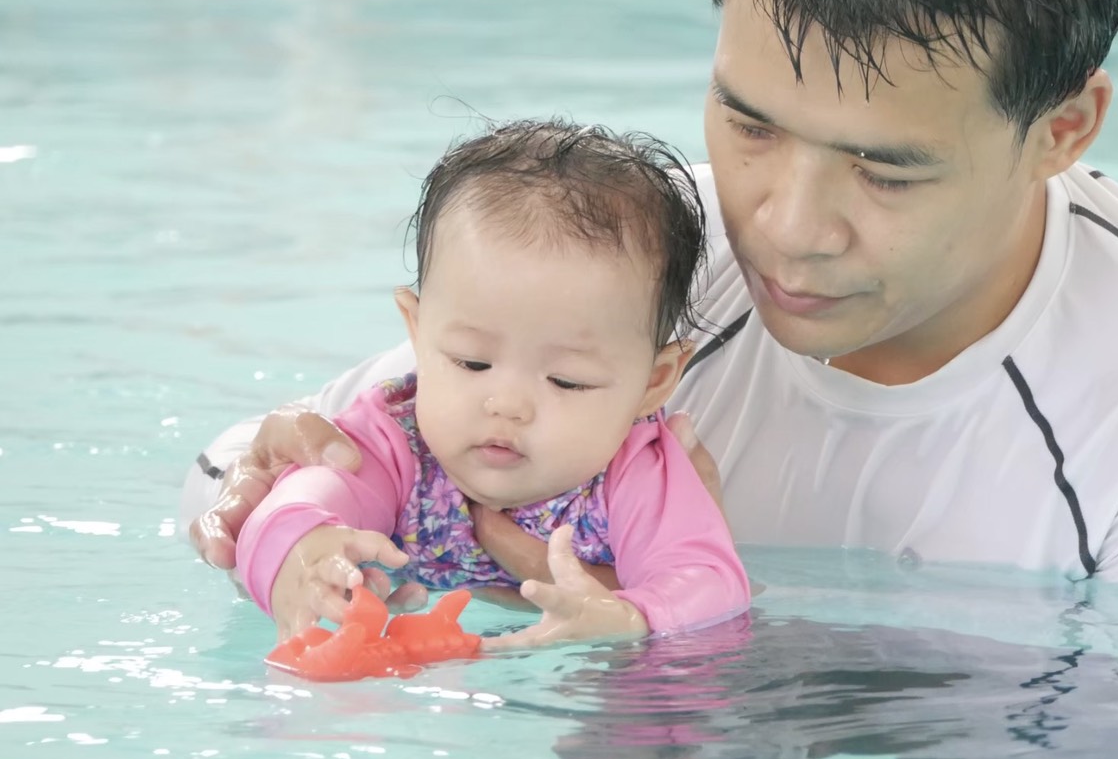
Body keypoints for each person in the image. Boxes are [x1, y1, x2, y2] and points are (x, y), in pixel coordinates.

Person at [182, 0, 1118, 600]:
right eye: (748, 124)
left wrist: (669, 626)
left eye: (886, 170)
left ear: (1062, 132)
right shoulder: (651, 263)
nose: (782, 225)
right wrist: (269, 507)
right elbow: (266, 463)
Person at [229, 118, 750, 648]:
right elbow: (297, 503)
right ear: (417, 330)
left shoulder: (638, 473)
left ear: (654, 383)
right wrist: (305, 551)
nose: (507, 405)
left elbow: (711, 582)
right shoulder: (395, 445)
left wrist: (631, 617)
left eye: (567, 381)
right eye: (472, 363)